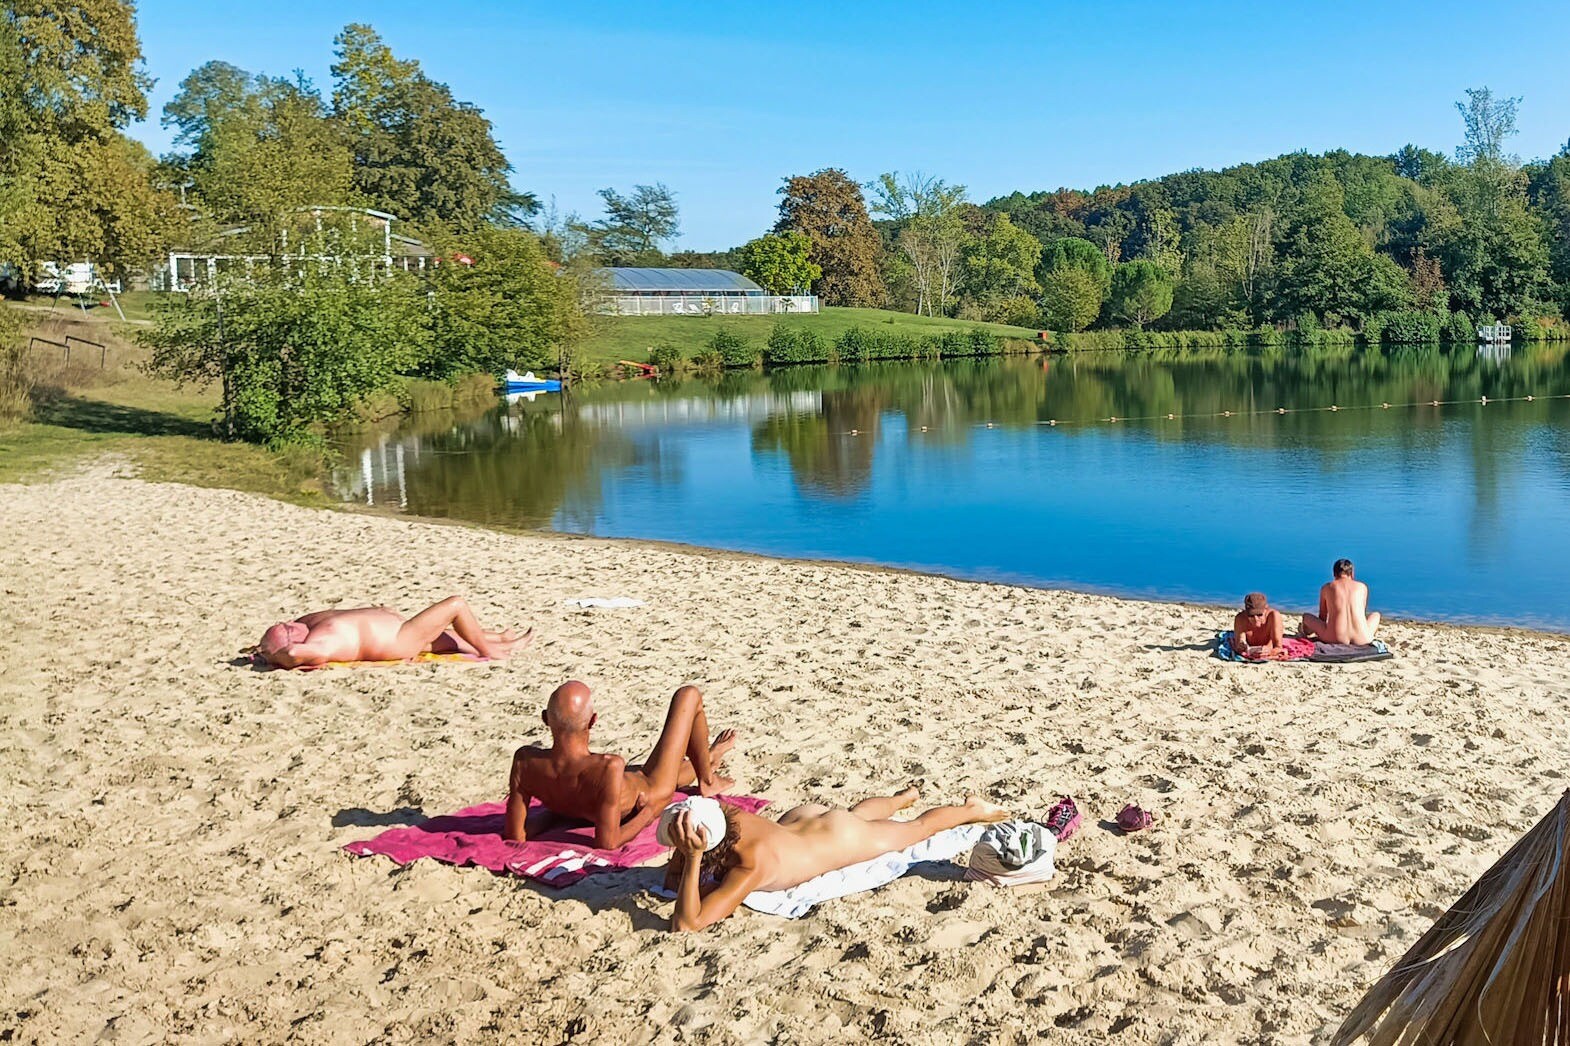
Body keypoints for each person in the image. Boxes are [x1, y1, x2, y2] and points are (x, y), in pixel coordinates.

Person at [662, 787, 1009, 932]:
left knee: (918, 829)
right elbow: (671, 883)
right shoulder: (725, 813)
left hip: (840, 837)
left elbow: (687, 923)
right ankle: (901, 797)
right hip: (805, 823)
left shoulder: (751, 865)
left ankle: (970, 809)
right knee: (858, 814)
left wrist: (692, 857)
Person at [503, 681, 737, 850]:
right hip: (648, 794)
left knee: (660, 767)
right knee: (688, 695)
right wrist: (646, 815)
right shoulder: (607, 767)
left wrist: (554, 815)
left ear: (545, 719)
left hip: (592, 804)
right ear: (593, 721)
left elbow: (515, 833)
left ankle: (709, 757)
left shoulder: (526, 761)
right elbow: (608, 842)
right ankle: (707, 779)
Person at [254, 598, 529, 669]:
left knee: (448, 637)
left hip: (398, 631)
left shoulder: (310, 624)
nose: (292, 622)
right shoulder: (320, 641)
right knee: (455, 605)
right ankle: (489, 650)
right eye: (288, 628)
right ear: (293, 639)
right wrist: (273, 657)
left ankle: (501, 639)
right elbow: (292, 654)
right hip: (398, 640)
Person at [1301, 558, 1381, 645]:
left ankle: (1305, 632)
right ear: (1352, 573)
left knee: (1306, 617)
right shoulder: (1362, 587)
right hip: (1363, 639)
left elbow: (1323, 617)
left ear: (1334, 574)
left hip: (1335, 639)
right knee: (1376, 615)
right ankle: (1363, 633)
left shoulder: (1327, 587)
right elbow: (1361, 613)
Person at [1231, 592, 1287, 659]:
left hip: (1268, 648)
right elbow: (1240, 642)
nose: (1255, 619)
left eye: (1259, 615)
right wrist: (1241, 646)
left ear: (1266, 609)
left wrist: (1269, 652)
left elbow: (1278, 647)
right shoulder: (1240, 618)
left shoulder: (1273, 616)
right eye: (1251, 615)